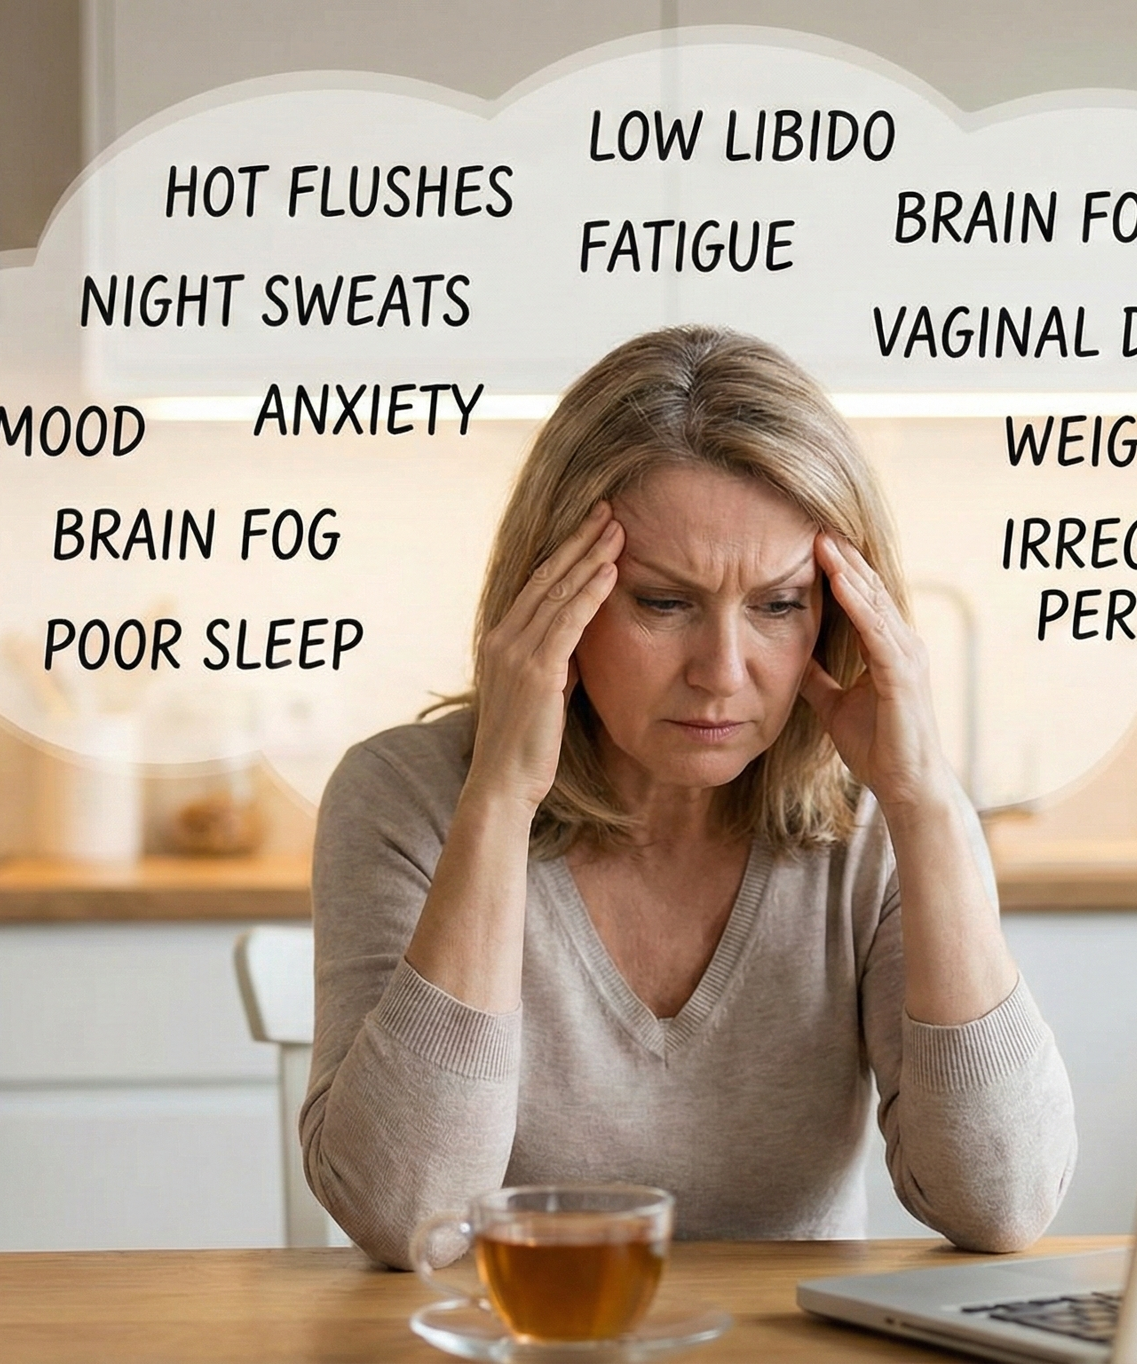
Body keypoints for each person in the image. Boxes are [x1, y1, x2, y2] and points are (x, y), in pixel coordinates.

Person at [301, 325, 1074, 1269]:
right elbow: (409, 1213)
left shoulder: (875, 820)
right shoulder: (405, 798)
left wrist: (927, 805)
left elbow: (1002, 1204)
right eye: (664, 604)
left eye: (780, 605)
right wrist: (500, 798)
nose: (722, 674)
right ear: (552, 596)